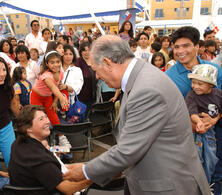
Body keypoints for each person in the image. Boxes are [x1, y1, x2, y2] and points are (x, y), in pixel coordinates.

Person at [63, 35, 210, 195]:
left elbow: (128, 150)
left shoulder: (147, 89)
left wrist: (85, 170)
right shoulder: (140, 77)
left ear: (107, 63)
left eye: (96, 71)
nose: (97, 76)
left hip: (169, 186)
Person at [165, 26, 222, 195]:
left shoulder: (215, 71)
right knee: (189, 181)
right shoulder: (168, 77)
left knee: (215, 176)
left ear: (197, 46)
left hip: (216, 134)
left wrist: (215, 119)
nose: (181, 51)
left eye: (186, 45)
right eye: (176, 47)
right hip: (186, 139)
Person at [8, 105, 92, 195]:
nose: (47, 122)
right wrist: (92, 179)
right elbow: (68, 189)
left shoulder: (18, 143)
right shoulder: (39, 159)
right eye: (41, 119)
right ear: (28, 128)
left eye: (46, 117)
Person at [185, 64, 221, 185]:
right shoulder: (191, 95)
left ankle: (207, 183)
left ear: (211, 84)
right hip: (195, 131)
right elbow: (192, 112)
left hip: (211, 132)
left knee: (211, 158)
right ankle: (197, 185)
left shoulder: (218, 94)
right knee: (197, 158)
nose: (195, 87)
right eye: (193, 82)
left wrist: (215, 118)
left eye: (200, 84)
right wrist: (199, 122)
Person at [76, 42, 96, 114]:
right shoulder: (79, 62)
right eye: (84, 50)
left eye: (89, 50)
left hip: (94, 93)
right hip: (83, 95)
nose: (87, 52)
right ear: (81, 52)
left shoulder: (94, 60)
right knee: (82, 114)